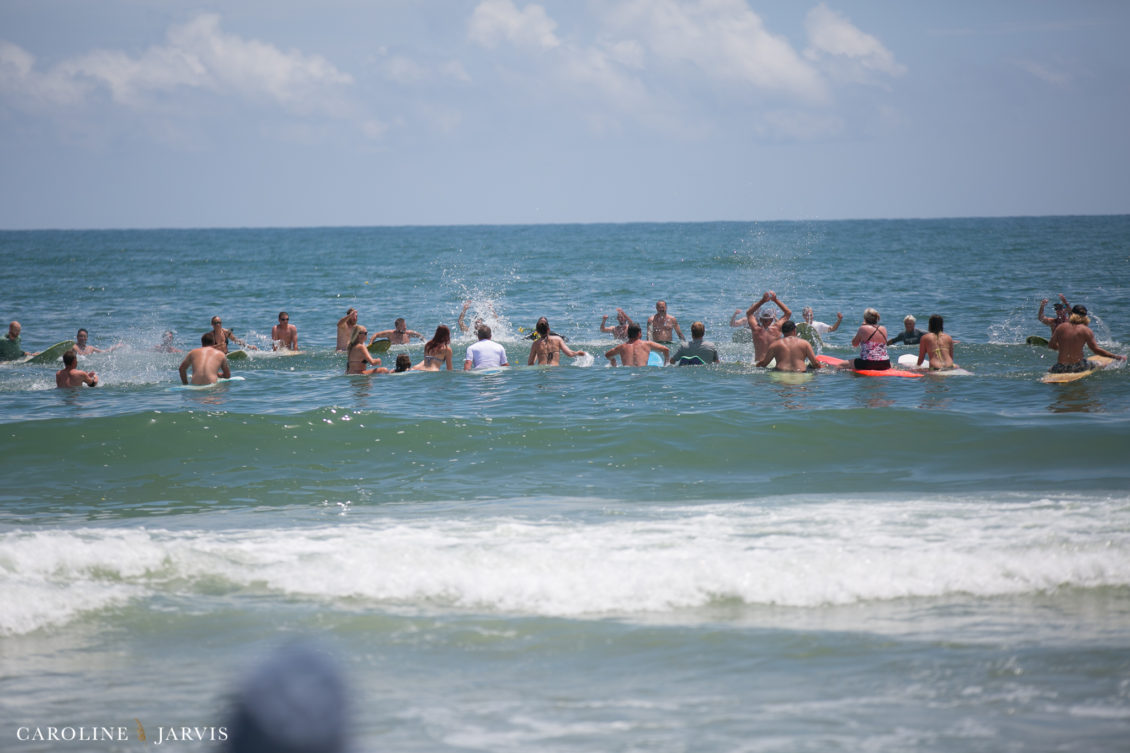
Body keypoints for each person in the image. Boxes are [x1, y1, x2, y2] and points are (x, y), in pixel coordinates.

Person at [1046, 304, 1126, 373]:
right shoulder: (1086, 330)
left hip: (1060, 367)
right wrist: (1116, 357)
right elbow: (1096, 350)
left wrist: (1064, 348)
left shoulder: (1060, 327)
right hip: (1078, 366)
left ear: (1071, 315)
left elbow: (1051, 345)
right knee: (1100, 364)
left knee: (1050, 370)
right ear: (1085, 317)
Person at [745, 291, 792, 363]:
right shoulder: (776, 328)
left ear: (760, 319)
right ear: (772, 319)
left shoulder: (756, 329)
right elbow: (788, 313)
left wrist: (762, 301)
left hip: (759, 363)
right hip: (773, 364)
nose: (766, 322)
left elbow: (749, 313)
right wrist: (775, 300)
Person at [756, 321, 821, 372]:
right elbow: (815, 364)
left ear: (782, 331)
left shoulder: (775, 345)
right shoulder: (805, 343)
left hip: (780, 373)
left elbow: (764, 364)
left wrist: (756, 365)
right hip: (800, 374)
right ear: (794, 330)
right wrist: (823, 366)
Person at [605, 323, 669, 366]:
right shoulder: (647, 344)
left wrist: (613, 361)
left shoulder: (621, 347)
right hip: (642, 373)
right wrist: (666, 364)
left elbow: (607, 355)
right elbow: (666, 349)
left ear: (628, 334)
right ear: (639, 333)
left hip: (627, 374)